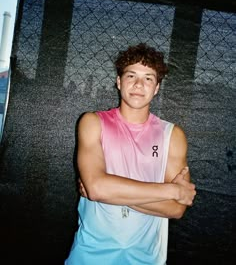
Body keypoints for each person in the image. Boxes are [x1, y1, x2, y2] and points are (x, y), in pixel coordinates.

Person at [65, 43, 196, 265]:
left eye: (148, 78)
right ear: (118, 82)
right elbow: (96, 188)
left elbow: (176, 208)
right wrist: (171, 190)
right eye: (131, 75)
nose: (138, 84)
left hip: (145, 259)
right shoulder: (93, 122)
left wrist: (111, 192)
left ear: (156, 88)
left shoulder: (171, 135)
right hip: (90, 255)